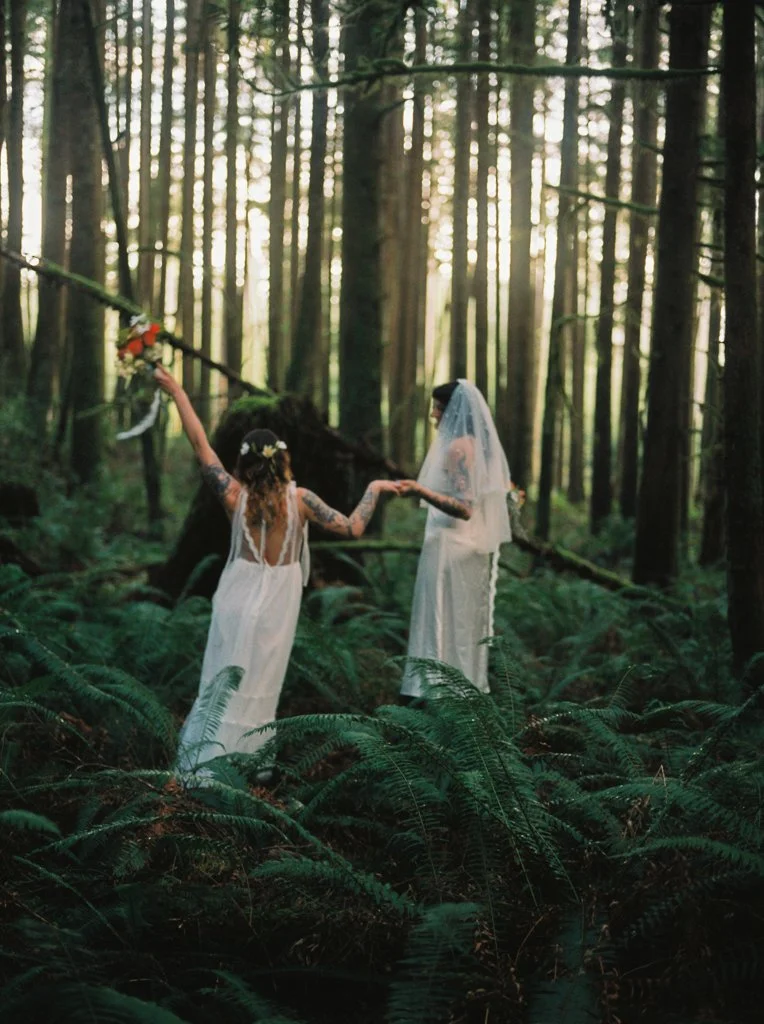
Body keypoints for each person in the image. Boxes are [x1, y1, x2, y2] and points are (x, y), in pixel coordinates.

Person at [152, 366, 398, 774]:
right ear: (283, 458)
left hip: (236, 596)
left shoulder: (234, 496)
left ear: (242, 463)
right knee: (260, 686)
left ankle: (204, 765)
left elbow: (200, 443)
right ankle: (245, 768)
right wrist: (375, 488)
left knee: (220, 681)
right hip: (276, 608)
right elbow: (353, 527)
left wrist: (176, 390)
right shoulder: (301, 501)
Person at [397, 379, 512, 700]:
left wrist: (419, 490)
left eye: (437, 408)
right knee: (462, 621)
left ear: (453, 411)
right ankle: (463, 688)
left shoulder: (457, 449)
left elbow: (464, 508)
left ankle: (434, 689)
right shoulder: (481, 448)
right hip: (471, 548)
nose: (433, 415)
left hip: (449, 544)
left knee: (440, 615)